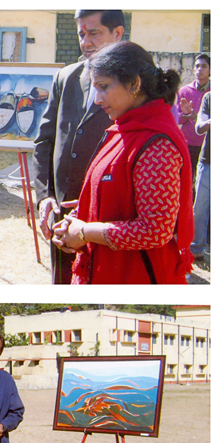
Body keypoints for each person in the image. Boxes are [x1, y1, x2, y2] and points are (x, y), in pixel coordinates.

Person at [52, 41, 194, 284]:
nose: (97, 99)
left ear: (134, 84)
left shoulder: (157, 142)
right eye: (95, 89)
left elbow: (155, 230)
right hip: (106, 269)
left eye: (104, 87)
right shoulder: (125, 128)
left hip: (137, 277)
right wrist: (75, 220)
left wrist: (84, 232)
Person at [32, 9, 125, 284]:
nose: (86, 42)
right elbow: (45, 141)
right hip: (61, 214)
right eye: (81, 34)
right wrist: (45, 196)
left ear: (117, 33)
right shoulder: (66, 77)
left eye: (94, 33)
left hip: (105, 219)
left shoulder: (133, 84)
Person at [174, 54, 210, 179]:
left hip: (208, 145)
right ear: (193, 70)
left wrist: (196, 117)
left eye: (204, 66)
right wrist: (185, 115)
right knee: (186, 178)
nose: (200, 69)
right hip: (187, 143)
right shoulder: (184, 91)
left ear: (210, 70)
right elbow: (177, 119)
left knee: (204, 181)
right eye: (197, 66)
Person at [190, 91, 210, 262]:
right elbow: (199, 128)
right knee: (200, 208)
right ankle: (196, 249)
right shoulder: (210, 98)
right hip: (208, 161)